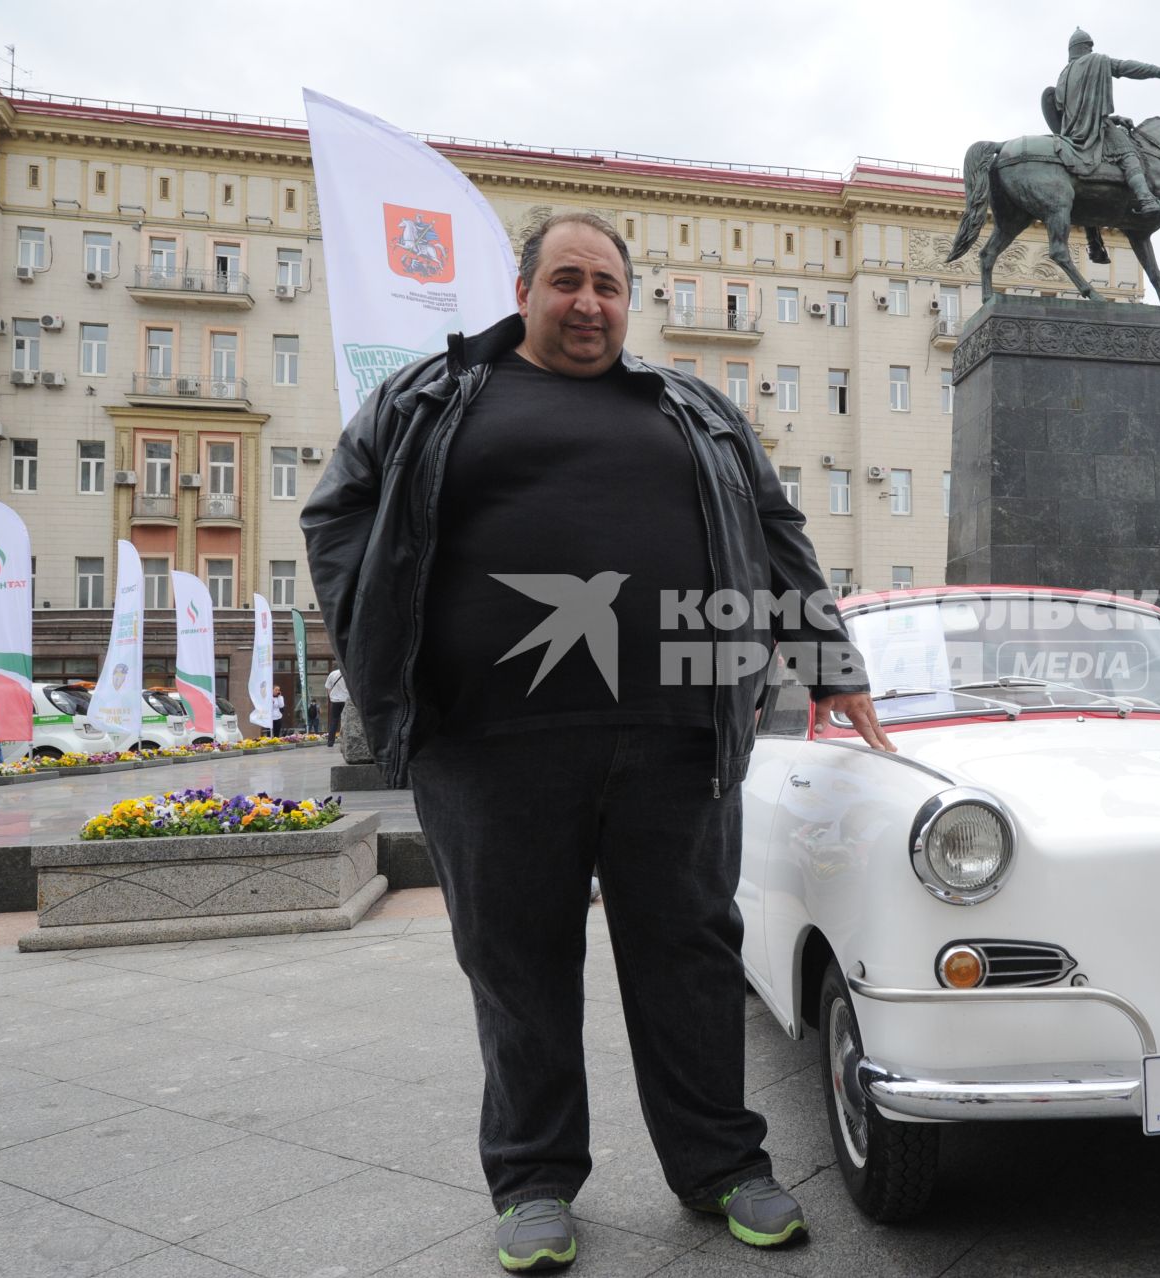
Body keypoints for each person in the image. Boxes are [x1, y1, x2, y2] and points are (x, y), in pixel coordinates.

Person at [302, 211, 889, 1272]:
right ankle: (533, 1183)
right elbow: (336, 516)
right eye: (566, 280)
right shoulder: (431, 402)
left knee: (691, 956)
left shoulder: (695, 410)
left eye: (609, 285)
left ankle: (722, 1167)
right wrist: (383, 651)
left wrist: (831, 663)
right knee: (518, 967)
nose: (589, 302)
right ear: (523, 289)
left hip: (678, 738)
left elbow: (776, 535)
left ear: (630, 299)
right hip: (487, 744)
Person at [1049, 26, 1160, 215]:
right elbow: (1126, 67)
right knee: (1129, 155)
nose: (1091, 51)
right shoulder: (1095, 61)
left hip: (1070, 133)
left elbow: (1074, 112)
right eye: (1089, 47)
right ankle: (1146, 199)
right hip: (1093, 131)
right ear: (1085, 47)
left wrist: (1115, 118)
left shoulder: (1063, 76)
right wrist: (1159, 72)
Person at [324, 668, 346, 747]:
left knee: (334, 721)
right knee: (346, 721)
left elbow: (327, 687)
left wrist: (331, 697)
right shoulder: (348, 673)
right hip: (346, 700)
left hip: (335, 701)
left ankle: (330, 742)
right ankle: (346, 741)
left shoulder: (333, 674)